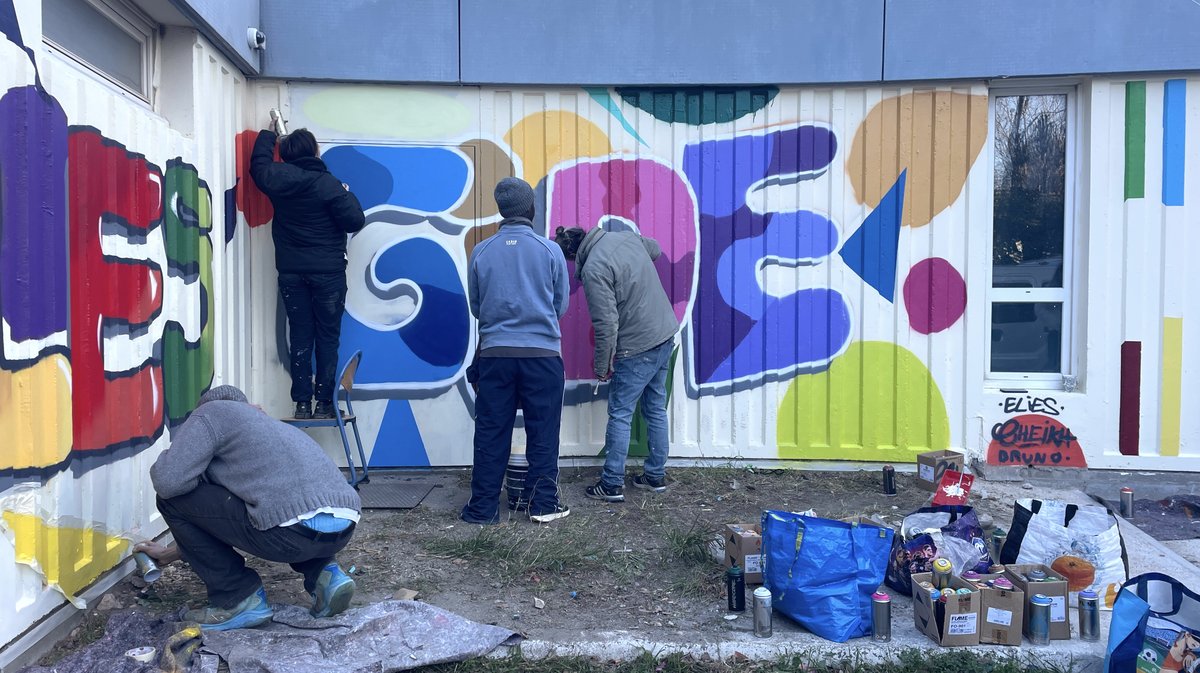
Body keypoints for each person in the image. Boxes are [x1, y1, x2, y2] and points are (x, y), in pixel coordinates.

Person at [134, 385, 361, 631]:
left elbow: (168, 481)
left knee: (172, 499)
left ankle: (237, 597)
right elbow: (222, 517)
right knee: (291, 508)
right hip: (342, 528)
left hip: (289, 535)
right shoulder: (270, 427)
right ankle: (327, 575)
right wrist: (172, 553)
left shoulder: (211, 413)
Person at [461, 177, 571, 525]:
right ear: (530, 208)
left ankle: (482, 510)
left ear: (501, 210)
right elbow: (561, 305)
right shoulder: (550, 250)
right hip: (542, 357)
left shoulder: (481, 251)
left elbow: (477, 307)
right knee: (544, 430)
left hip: (496, 356)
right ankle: (542, 506)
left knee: (491, 431)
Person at [555, 225, 678, 503]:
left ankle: (611, 483)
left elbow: (606, 323)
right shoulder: (624, 237)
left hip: (637, 345)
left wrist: (601, 366)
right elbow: (655, 248)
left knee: (621, 413)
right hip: (664, 333)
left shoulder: (594, 268)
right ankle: (655, 476)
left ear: (573, 254)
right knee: (655, 408)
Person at [250, 125, 365, 420]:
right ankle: (324, 404)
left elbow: (258, 166)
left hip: (291, 272)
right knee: (327, 337)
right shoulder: (327, 184)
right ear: (314, 151)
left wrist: (267, 135)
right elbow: (355, 221)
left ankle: (301, 404)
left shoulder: (277, 178)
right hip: (328, 272)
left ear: (286, 154)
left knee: (300, 335)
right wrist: (346, 194)